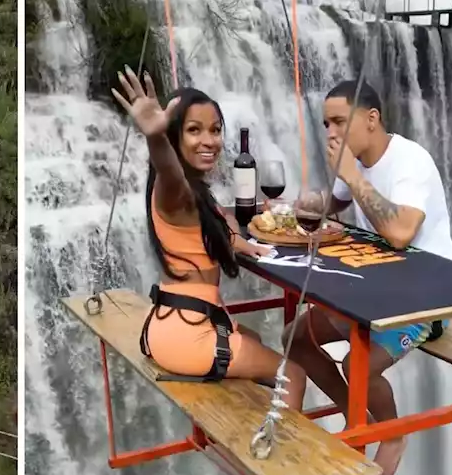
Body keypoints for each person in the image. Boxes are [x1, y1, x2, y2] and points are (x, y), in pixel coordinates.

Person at [285, 79, 452, 475]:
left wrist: (350, 173)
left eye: (338, 122)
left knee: (357, 363)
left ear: (371, 119)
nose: (329, 133)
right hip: (378, 288)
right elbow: (341, 201)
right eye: (326, 124)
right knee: (294, 337)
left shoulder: (409, 162)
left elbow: (400, 233)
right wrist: (316, 201)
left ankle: (392, 432)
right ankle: (354, 412)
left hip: (432, 294)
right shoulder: (359, 161)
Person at [110, 67, 305, 410]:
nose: (210, 140)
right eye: (194, 130)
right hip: (190, 337)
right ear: (174, 137)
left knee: (253, 339)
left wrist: (238, 240)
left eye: (215, 130)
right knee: (294, 374)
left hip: (167, 326)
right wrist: (154, 137)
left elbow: (215, 220)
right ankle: (285, 455)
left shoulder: (194, 195)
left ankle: (249, 431)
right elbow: (170, 172)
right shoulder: (173, 191)